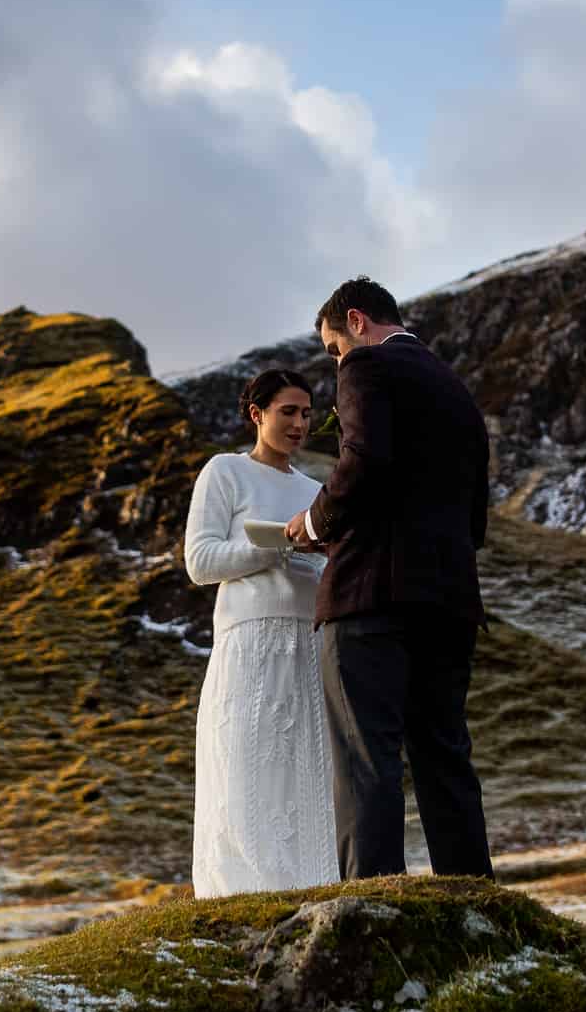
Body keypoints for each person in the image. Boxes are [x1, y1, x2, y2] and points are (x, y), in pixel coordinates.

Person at [284, 277, 496, 880]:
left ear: (356, 321)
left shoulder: (369, 367)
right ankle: (470, 894)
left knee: (366, 757)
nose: (337, 362)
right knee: (444, 756)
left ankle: (371, 906)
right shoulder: (456, 390)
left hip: (370, 596)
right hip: (450, 599)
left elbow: (365, 461)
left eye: (333, 348)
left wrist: (316, 521)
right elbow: (475, 512)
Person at [181, 368, 335, 897]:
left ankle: (312, 887)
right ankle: (241, 894)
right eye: (287, 412)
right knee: (245, 771)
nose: (299, 423)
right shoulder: (224, 473)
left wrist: (324, 552)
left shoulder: (318, 490)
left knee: (306, 771)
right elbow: (199, 562)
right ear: (257, 414)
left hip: (310, 643)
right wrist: (277, 546)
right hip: (249, 645)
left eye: (307, 413)